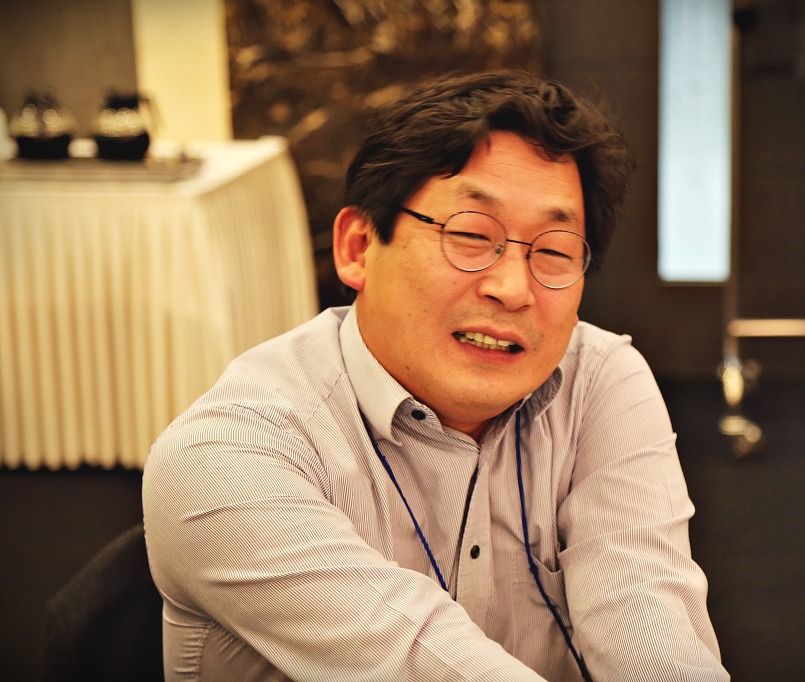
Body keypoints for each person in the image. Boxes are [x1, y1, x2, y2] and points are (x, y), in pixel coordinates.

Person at [143, 69, 729, 681]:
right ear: (358, 247)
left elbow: (651, 631)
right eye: (471, 235)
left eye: (554, 251)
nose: (512, 289)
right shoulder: (223, 459)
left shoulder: (597, 379)